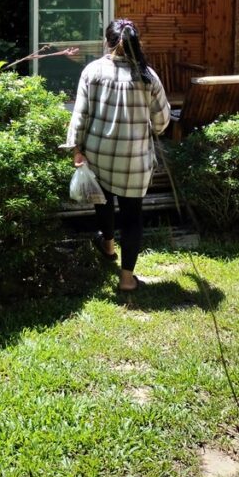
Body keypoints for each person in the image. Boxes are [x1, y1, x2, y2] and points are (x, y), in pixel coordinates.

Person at [65, 18, 171, 291]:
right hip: (135, 160)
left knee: (103, 202)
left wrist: (77, 149)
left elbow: (80, 115)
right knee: (132, 215)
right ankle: (126, 279)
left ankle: (109, 247)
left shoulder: (93, 71)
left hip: (99, 155)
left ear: (107, 42)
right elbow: (161, 122)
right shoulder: (148, 75)